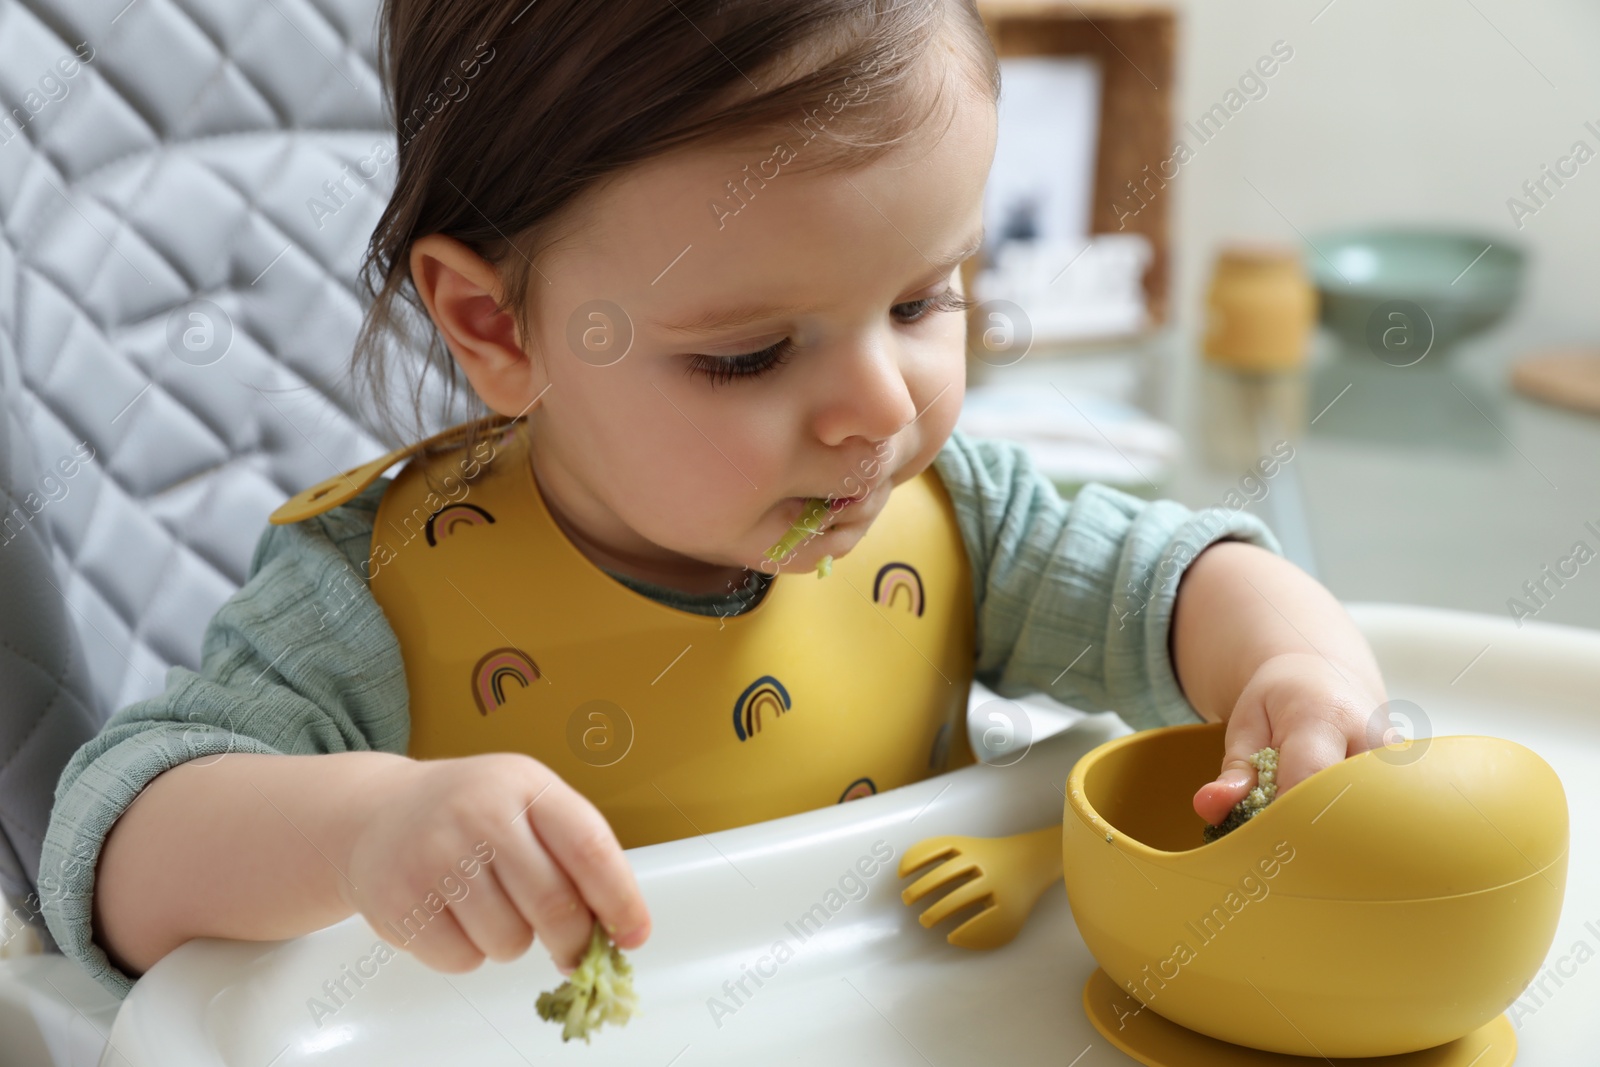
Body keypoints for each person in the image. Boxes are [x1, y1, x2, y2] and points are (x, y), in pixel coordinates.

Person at [40, 0, 1390, 1002]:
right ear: (494, 323)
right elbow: (115, 856)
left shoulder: (960, 521)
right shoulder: (385, 602)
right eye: (747, 354)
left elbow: (1173, 584)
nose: (879, 406)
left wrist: (1293, 664)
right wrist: (367, 830)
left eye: (924, 298)